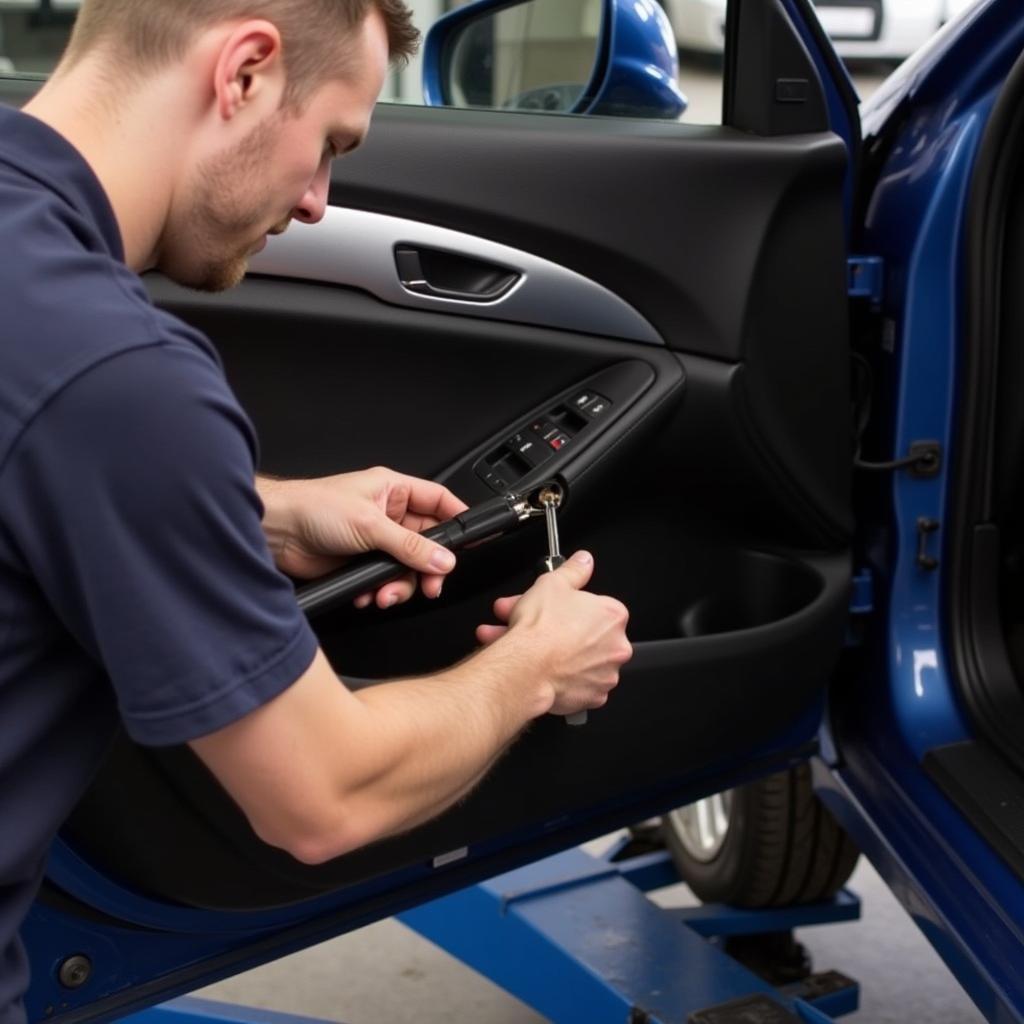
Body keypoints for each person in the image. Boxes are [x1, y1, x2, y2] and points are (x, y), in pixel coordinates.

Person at [0, 0, 633, 1020]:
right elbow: (321, 798)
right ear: (244, 72)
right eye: (330, 143)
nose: (317, 204)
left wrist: (261, 517)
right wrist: (537, 667)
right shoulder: (120, 376)